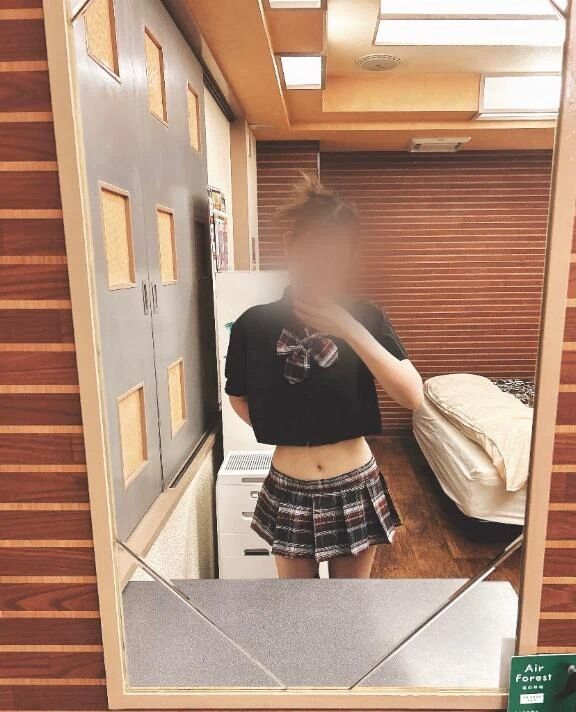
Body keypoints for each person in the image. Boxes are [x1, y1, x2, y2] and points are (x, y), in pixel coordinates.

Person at [224, 174, 423, 579]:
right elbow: (239, 397)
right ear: (290, 246)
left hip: (355, 482)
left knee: (350, 606)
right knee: (298, 609)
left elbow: (412, 395)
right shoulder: (253, 324)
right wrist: (289, 426)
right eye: (312, 251)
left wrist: (348, 328)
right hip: (288, 485)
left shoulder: (366, 316)